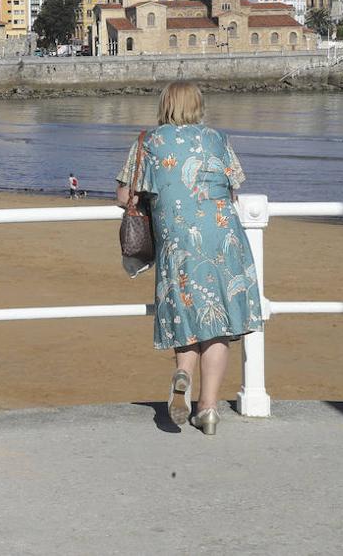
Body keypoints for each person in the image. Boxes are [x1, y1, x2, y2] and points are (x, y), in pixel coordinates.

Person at [115, 81, 262, 436]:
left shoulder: (150, 142)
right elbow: (232, 187)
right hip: (225, 237)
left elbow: (124, 195)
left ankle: (183, 373)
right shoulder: (218, 140)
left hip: (179, 240)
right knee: (219, 324)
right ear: (198, 106)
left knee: (186, 312)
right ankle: (208, 410)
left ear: (165, 105)